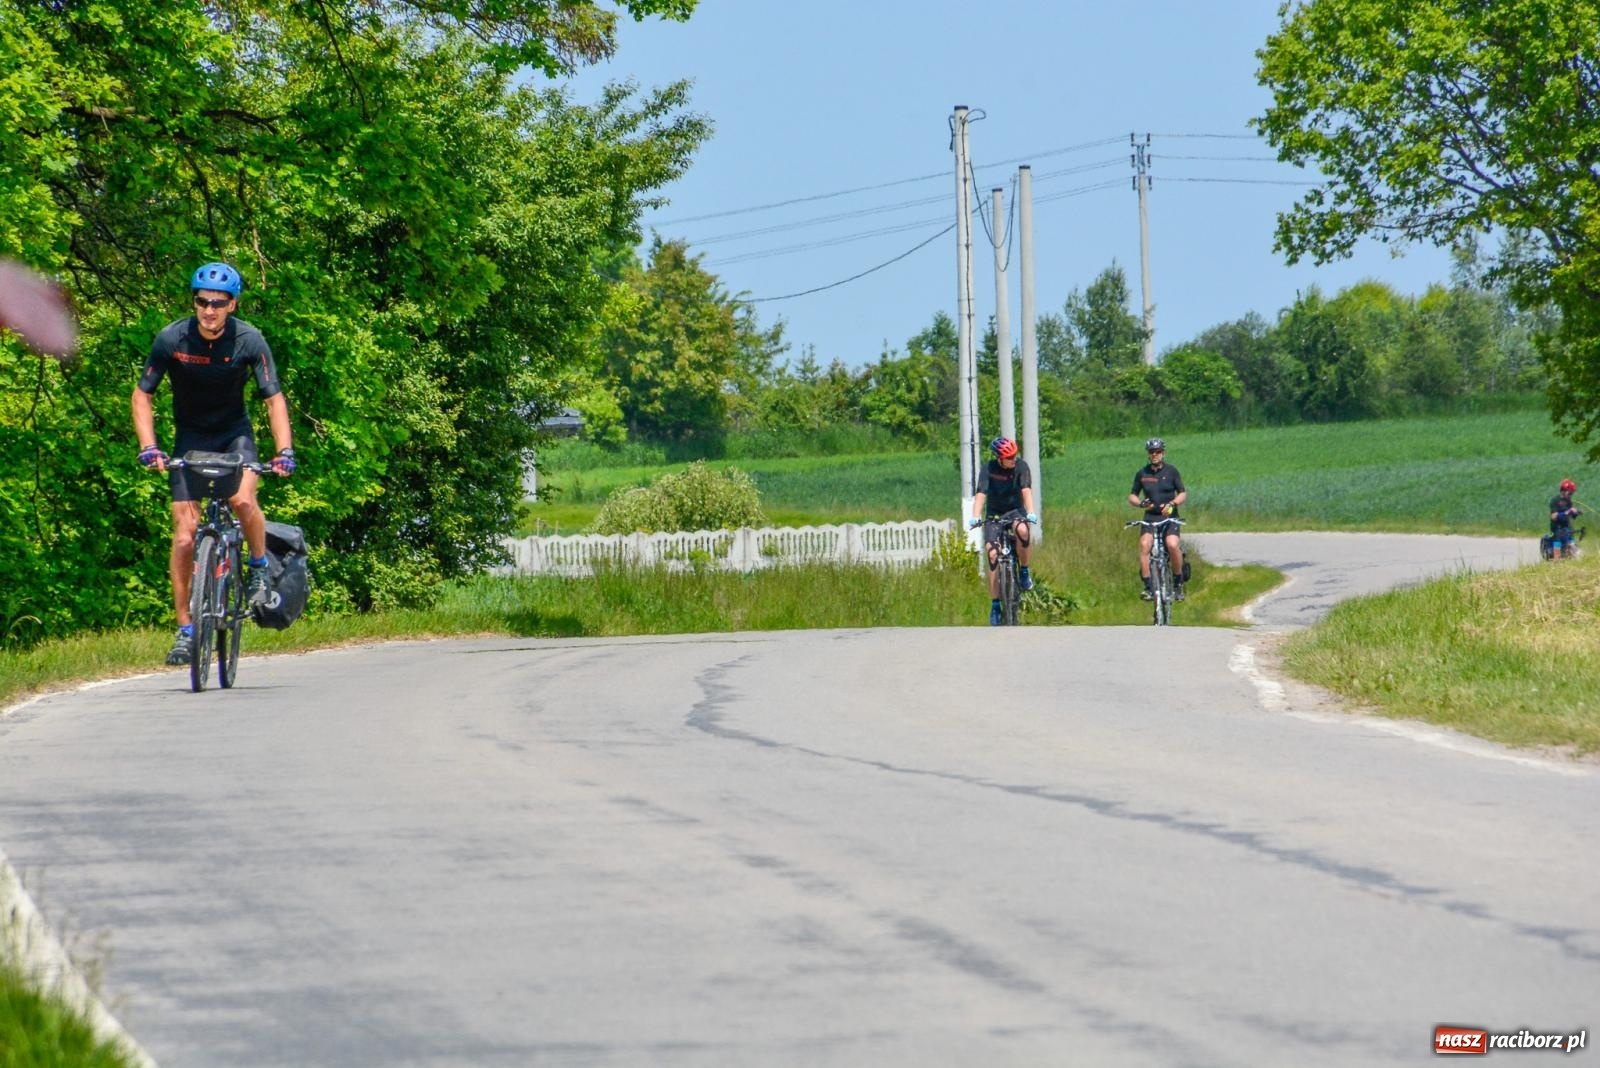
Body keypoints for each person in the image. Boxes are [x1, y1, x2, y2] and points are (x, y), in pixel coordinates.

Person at [131, 262, 296, 666]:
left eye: (218, 303)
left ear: (232, 304)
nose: (209, 309)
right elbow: (142, 396)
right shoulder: (172, 338)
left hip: (234, 436)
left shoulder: (249, 341)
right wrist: (149, 446)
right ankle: (186, 630)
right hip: (190, 439)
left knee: (242, 502)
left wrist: (285, 451)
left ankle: (257, 566)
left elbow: (273, 400)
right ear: (194, 302)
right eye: (202, 301)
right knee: (186, 537)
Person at [967, 436, 1039, 626]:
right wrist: (975, 515)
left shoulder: (1021, 467)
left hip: (1015, 511)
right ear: (999, 458)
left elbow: (1026, 490)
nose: (1013, 459)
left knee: (1023, 531)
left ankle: (1024, 570)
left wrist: (1031, 512)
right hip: (995, 515)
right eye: (1009, 457)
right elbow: (981, 493)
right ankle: (996, 604)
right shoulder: (988, 468)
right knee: (992, 554)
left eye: (1014, 455)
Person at [1128, 437, 1187, 601]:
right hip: (1150, 517)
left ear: (1163, 453)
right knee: (1144, 545)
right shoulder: (1142, 473)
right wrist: (1140, 503)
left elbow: (1182, 493)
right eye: (1152, 452)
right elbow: (1132, 495)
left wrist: (1173, 504)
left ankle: (1177, 584)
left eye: (1158, 452)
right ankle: (1147, 587)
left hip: (1169, 517)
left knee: (1172, 544)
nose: (1155, 455)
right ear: (1148, 454)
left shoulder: (1171, 471)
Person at [1549, 478, 1582, 559]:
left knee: (1572, 549)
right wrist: (1566, 512)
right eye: (1570, 493)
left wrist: (1576, 512)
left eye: (1572, 494)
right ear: (1563, 491)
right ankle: (1555, 565)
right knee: (1557, 555)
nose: (1571, 495)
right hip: (1557, 528)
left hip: (1567, 528)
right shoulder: (1555, 500)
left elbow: (1571, 515)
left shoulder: (1568, 501)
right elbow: (1553, 517)